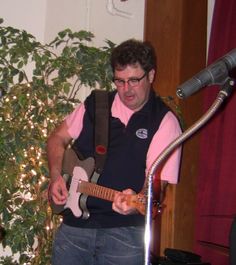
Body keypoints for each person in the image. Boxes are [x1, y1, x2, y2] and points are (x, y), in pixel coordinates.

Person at [47, 39, 182, 265]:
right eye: (119, 81)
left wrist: (136, 203)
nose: (126, 89)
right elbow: (56, 138)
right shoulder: (96, 104)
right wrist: (55, 176)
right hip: (74, 228)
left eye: (133, 80)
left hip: (124, 235)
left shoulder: (165, 122)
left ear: (150, 76)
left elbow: (155, 190)